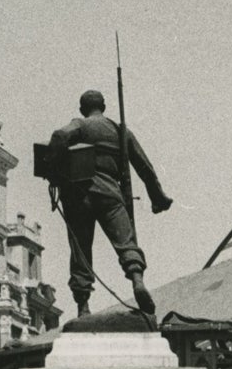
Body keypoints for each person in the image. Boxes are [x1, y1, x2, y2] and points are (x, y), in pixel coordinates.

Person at [48, 90, 172, 318]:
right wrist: (158, 197)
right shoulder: (119, 131)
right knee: (126, 242)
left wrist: (55, 171)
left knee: (81, 250)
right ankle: (137, 280)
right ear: (103, 106)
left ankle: (83, 306)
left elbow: (58, 137)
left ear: (82, 109)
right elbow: (145, 167)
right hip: (110, 195)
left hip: (80, 195)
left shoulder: (80, 125)